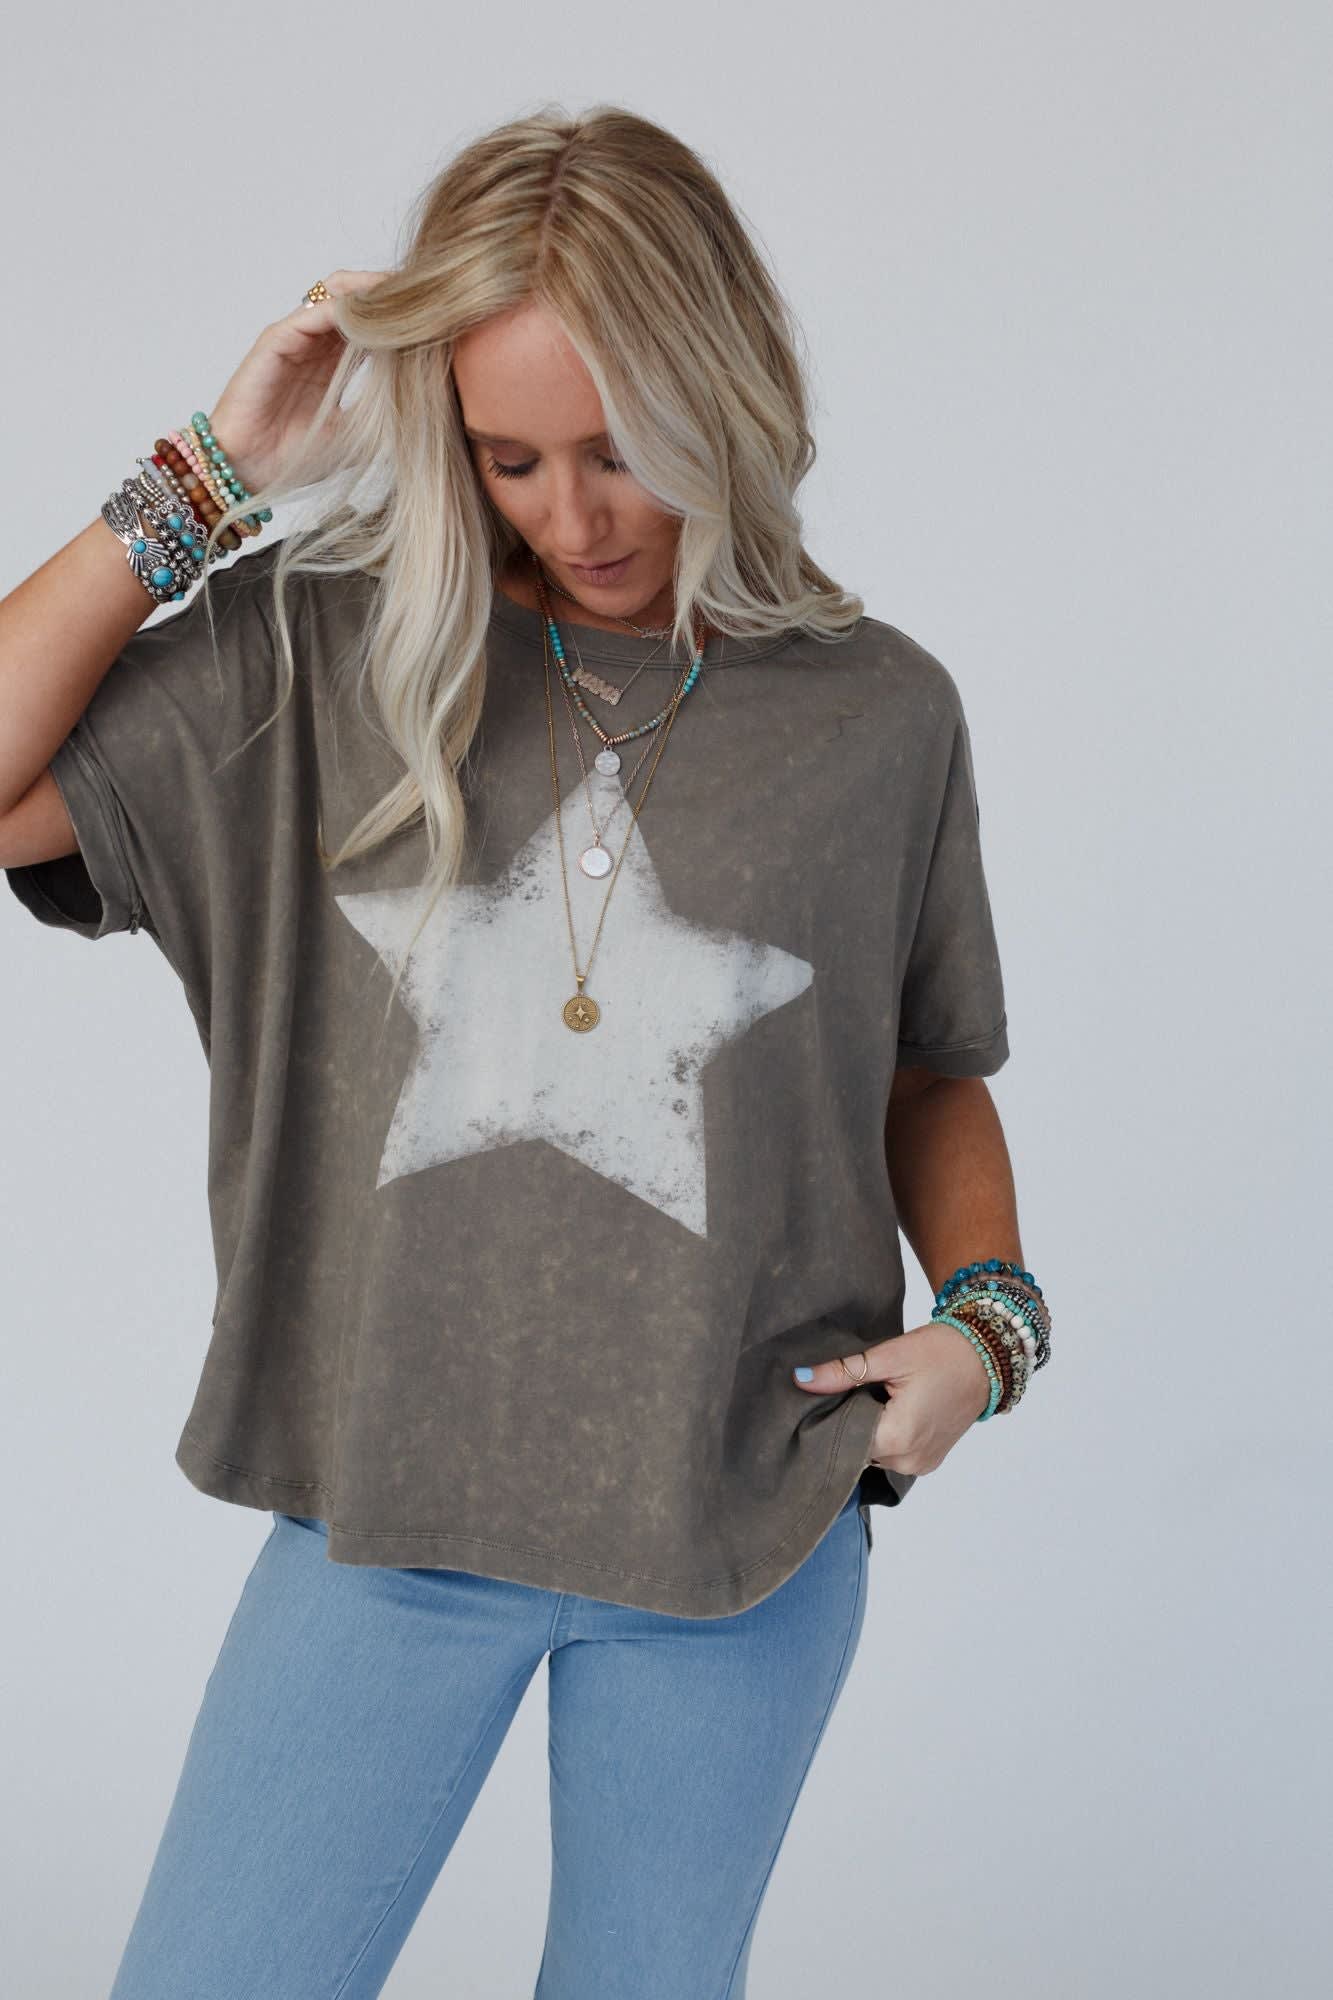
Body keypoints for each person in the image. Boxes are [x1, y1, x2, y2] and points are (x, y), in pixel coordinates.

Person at [0, 103, 1050, 2000]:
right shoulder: (320, 652)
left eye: (624, 448)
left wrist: (988, 1326)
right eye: (511, 458)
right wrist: (213, 474)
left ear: (724, 393)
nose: (575, 517)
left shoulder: (879, 712)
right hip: (384, 1527)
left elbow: (918, 1069)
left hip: (745, 1522)